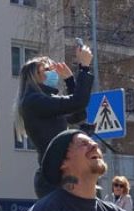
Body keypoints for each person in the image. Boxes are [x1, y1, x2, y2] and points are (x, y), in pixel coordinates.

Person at [14, 45, 94, 198]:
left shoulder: (45, 100)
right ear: (35, 76)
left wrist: (70, 81)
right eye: (48, 69)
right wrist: (84, 67)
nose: (54, 73)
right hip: (52, 179)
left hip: (60, 175)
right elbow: (78, 102)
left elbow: (78, 114)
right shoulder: (34, 101)